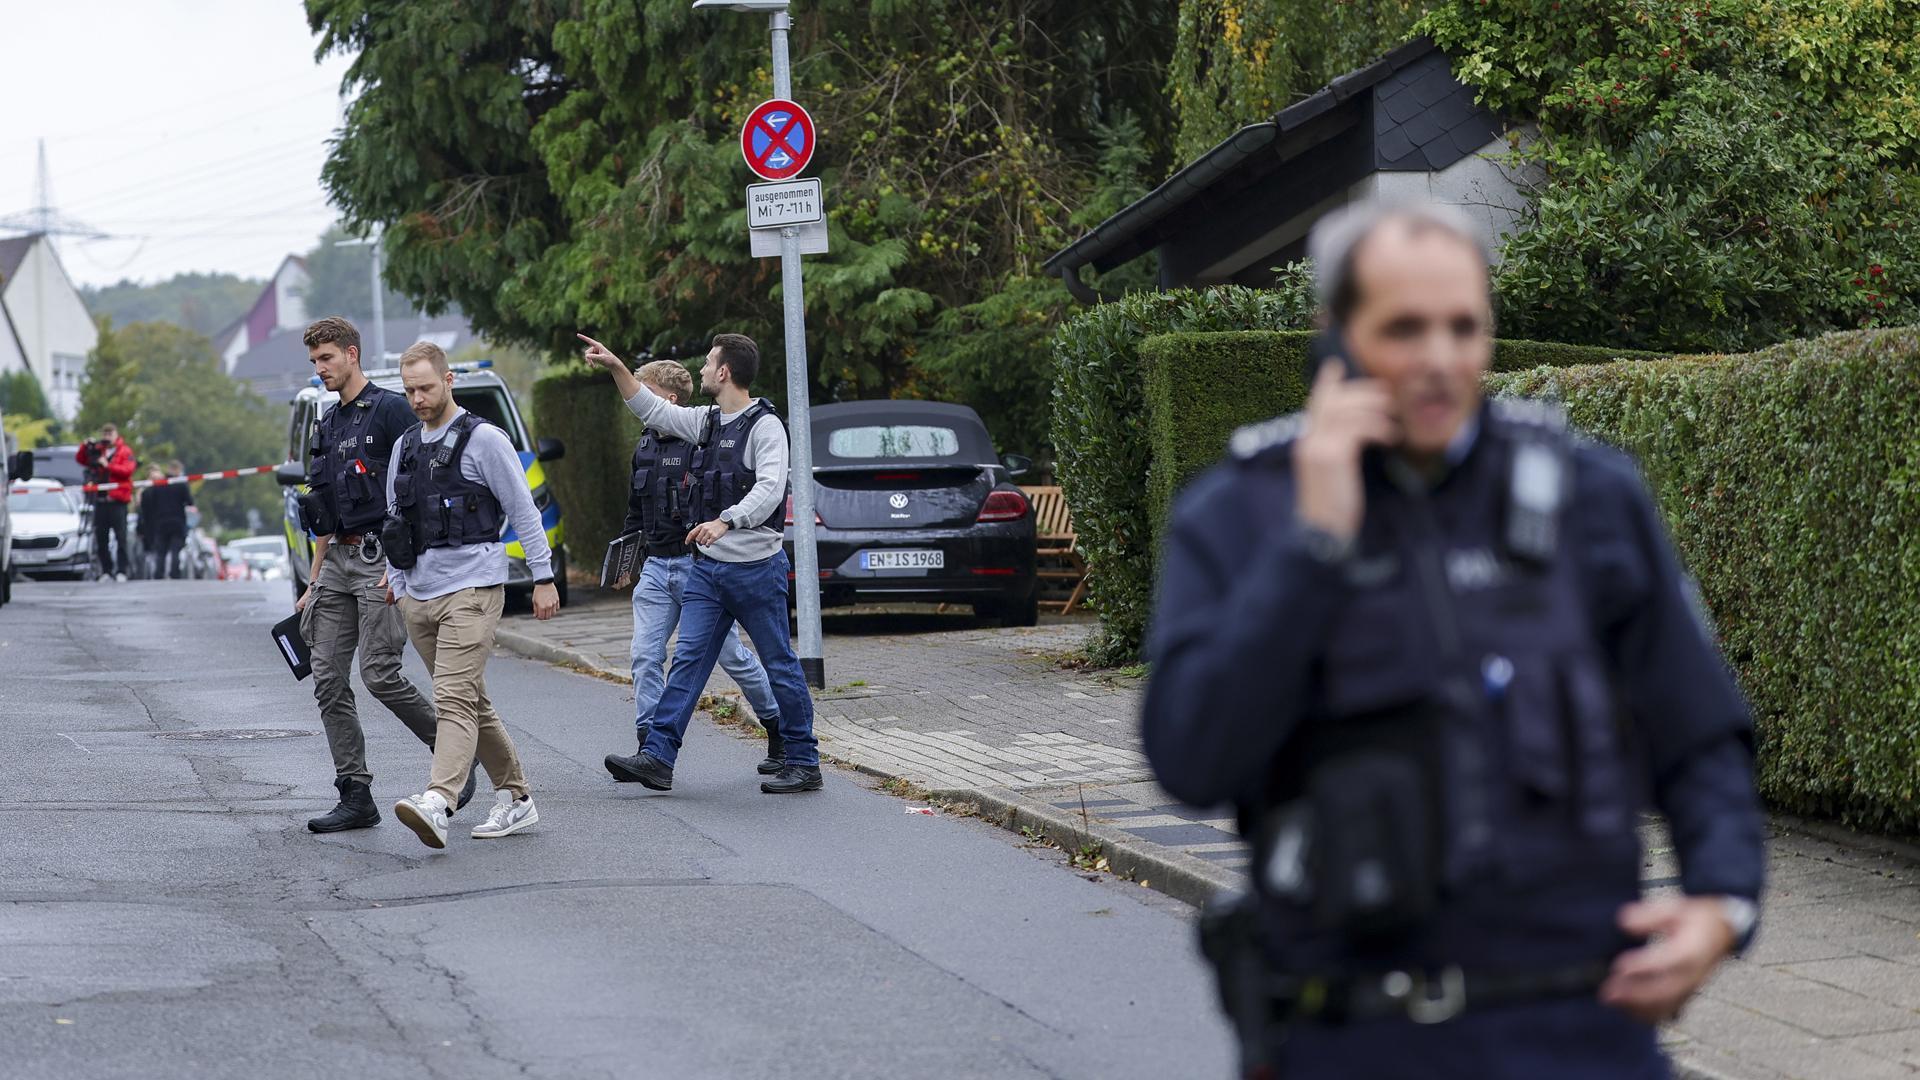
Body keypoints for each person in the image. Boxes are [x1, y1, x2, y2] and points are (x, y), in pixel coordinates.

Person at [1140, 201, 1765, 1079]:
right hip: (1360, 1043)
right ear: (1336, 336)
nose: (1440, 361)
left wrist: (1722, 904)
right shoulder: (1240, 514)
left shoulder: (1591, 497)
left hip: (1584, 1039)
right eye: (1404, 329)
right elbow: (1190, 759)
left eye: (1464, 327)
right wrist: (1312, 549)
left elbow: (1699, 733)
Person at [577, 331, 822, 795]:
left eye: (710, 363)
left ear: (725, 372)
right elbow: (652, 409)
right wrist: (616, 366)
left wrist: (726, 521)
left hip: (755, 570)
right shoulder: (708, 422)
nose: (704, 370)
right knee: (687, 662)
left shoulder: (765, 427)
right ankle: (658, 758)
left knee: (779, 664)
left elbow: (770, 489)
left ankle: (804, 760)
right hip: (707, 572)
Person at [295, 316, 470, 834]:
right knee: (326, 678)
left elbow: (418, 488)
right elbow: (322, 508)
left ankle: (454, 758)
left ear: (352, 354)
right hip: (338, 563)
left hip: (378, 561)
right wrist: (313, 578)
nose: (320, 368)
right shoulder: (328, 422)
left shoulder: (392, 409)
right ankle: (355, 793)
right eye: (313, 361)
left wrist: (405, 567)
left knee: (379, 675)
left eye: (326, 358)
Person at [384, 341, 559, 849]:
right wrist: (398, 583)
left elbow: (523, 512)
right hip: (418, 594)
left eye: (426, 387)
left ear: (449, 381)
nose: (417, 398)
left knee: (453, 698)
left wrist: (543, 577)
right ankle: (517, 800)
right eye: (410, 389)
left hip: (474, 587)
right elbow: (395, 520)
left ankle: (438, 801)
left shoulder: (485, 440)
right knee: (472, 702)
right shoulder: (405, 446)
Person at [617, 358, 788, 775]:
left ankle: (776, 725)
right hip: (657, 567)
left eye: (650, 393)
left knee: (735, 659)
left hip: (698, 566)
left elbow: (743, 491)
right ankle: (650, 746)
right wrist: (627, 558)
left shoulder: (701, 438)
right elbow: (635, 510)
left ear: (670, 400)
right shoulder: (643, 447)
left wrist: (726, 525)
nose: (645, 406)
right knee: (644, 656)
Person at [77, 424, 135, 581]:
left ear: (116, 435)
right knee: (101, 538)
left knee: (121, 538)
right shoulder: (99, 450)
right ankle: (106, 571)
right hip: (101, 501)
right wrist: (85, 446)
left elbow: (128, 470)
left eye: (110, 433)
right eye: (105, 433)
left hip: (117, 501)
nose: (107, 437)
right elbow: (82, 460)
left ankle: (122, 570)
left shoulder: (125, 451)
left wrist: (108, 465)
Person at [137, 464, 191, 579]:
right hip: (177, 521)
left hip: (161, 522)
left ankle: (159, 574)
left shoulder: (158, 486)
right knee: (175, 550)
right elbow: (189, 501)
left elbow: (150, 504)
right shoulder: (180, 485)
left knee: (161, 551)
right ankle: (174, 573)